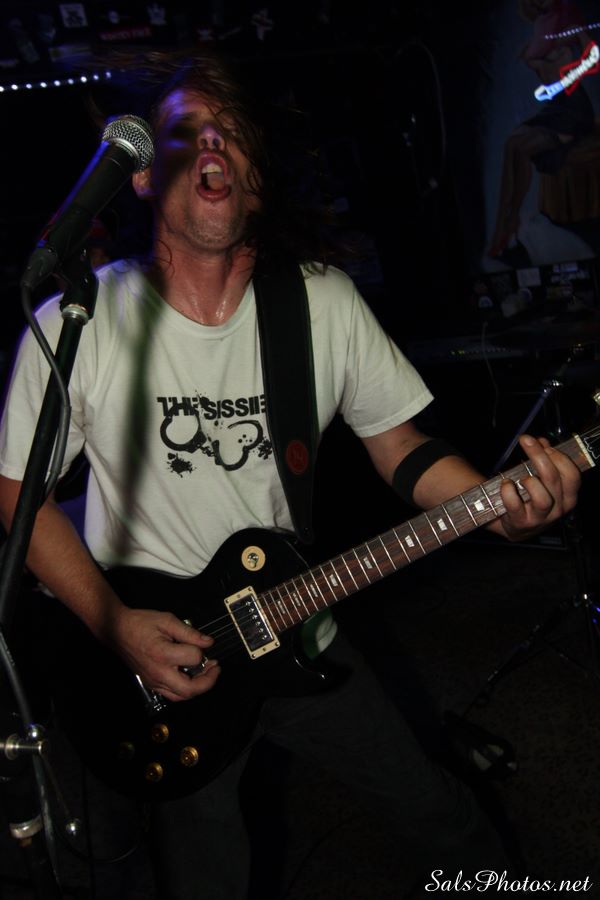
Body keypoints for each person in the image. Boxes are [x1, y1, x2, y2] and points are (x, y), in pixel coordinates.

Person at [0, 51, 582, 899]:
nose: (214, 146)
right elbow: (19, 496)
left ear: (257, 181)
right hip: (163, 657)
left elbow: (403, 449)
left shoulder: (320, 301)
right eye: (188, 131)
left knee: (439, 814)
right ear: (142, 173)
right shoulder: (78, 321)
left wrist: (497, 509)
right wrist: (114, 622)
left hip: (298, 626)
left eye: (234, 134)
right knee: (209, 877)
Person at [488, 0, 595, 262]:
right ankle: (504, 225)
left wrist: (565, 71)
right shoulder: (542, 28)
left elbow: (593, 57)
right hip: (555, 108)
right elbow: (533, 60)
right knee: (512, 144)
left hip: (573, 111)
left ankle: (510, 224)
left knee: (523, 148)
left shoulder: (568, 22)